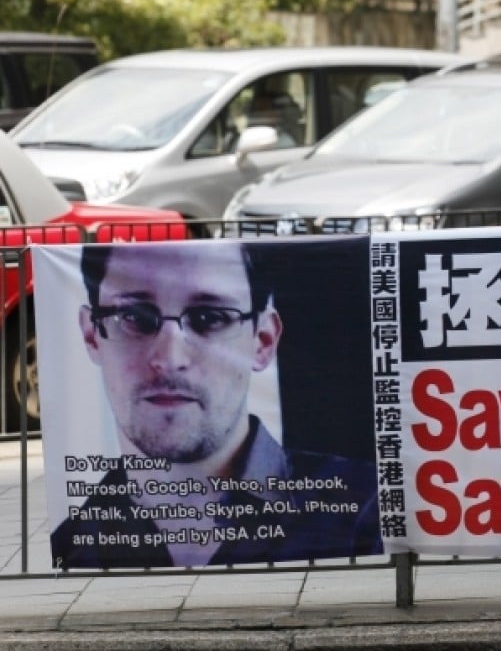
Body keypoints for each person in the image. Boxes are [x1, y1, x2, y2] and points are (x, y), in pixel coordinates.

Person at [50, 240, 380, 569]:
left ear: (263, 341)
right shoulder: (71, 545)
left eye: (209, 317)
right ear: (92, 335)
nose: (170, 359)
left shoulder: (366, 509)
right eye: (133, 316)